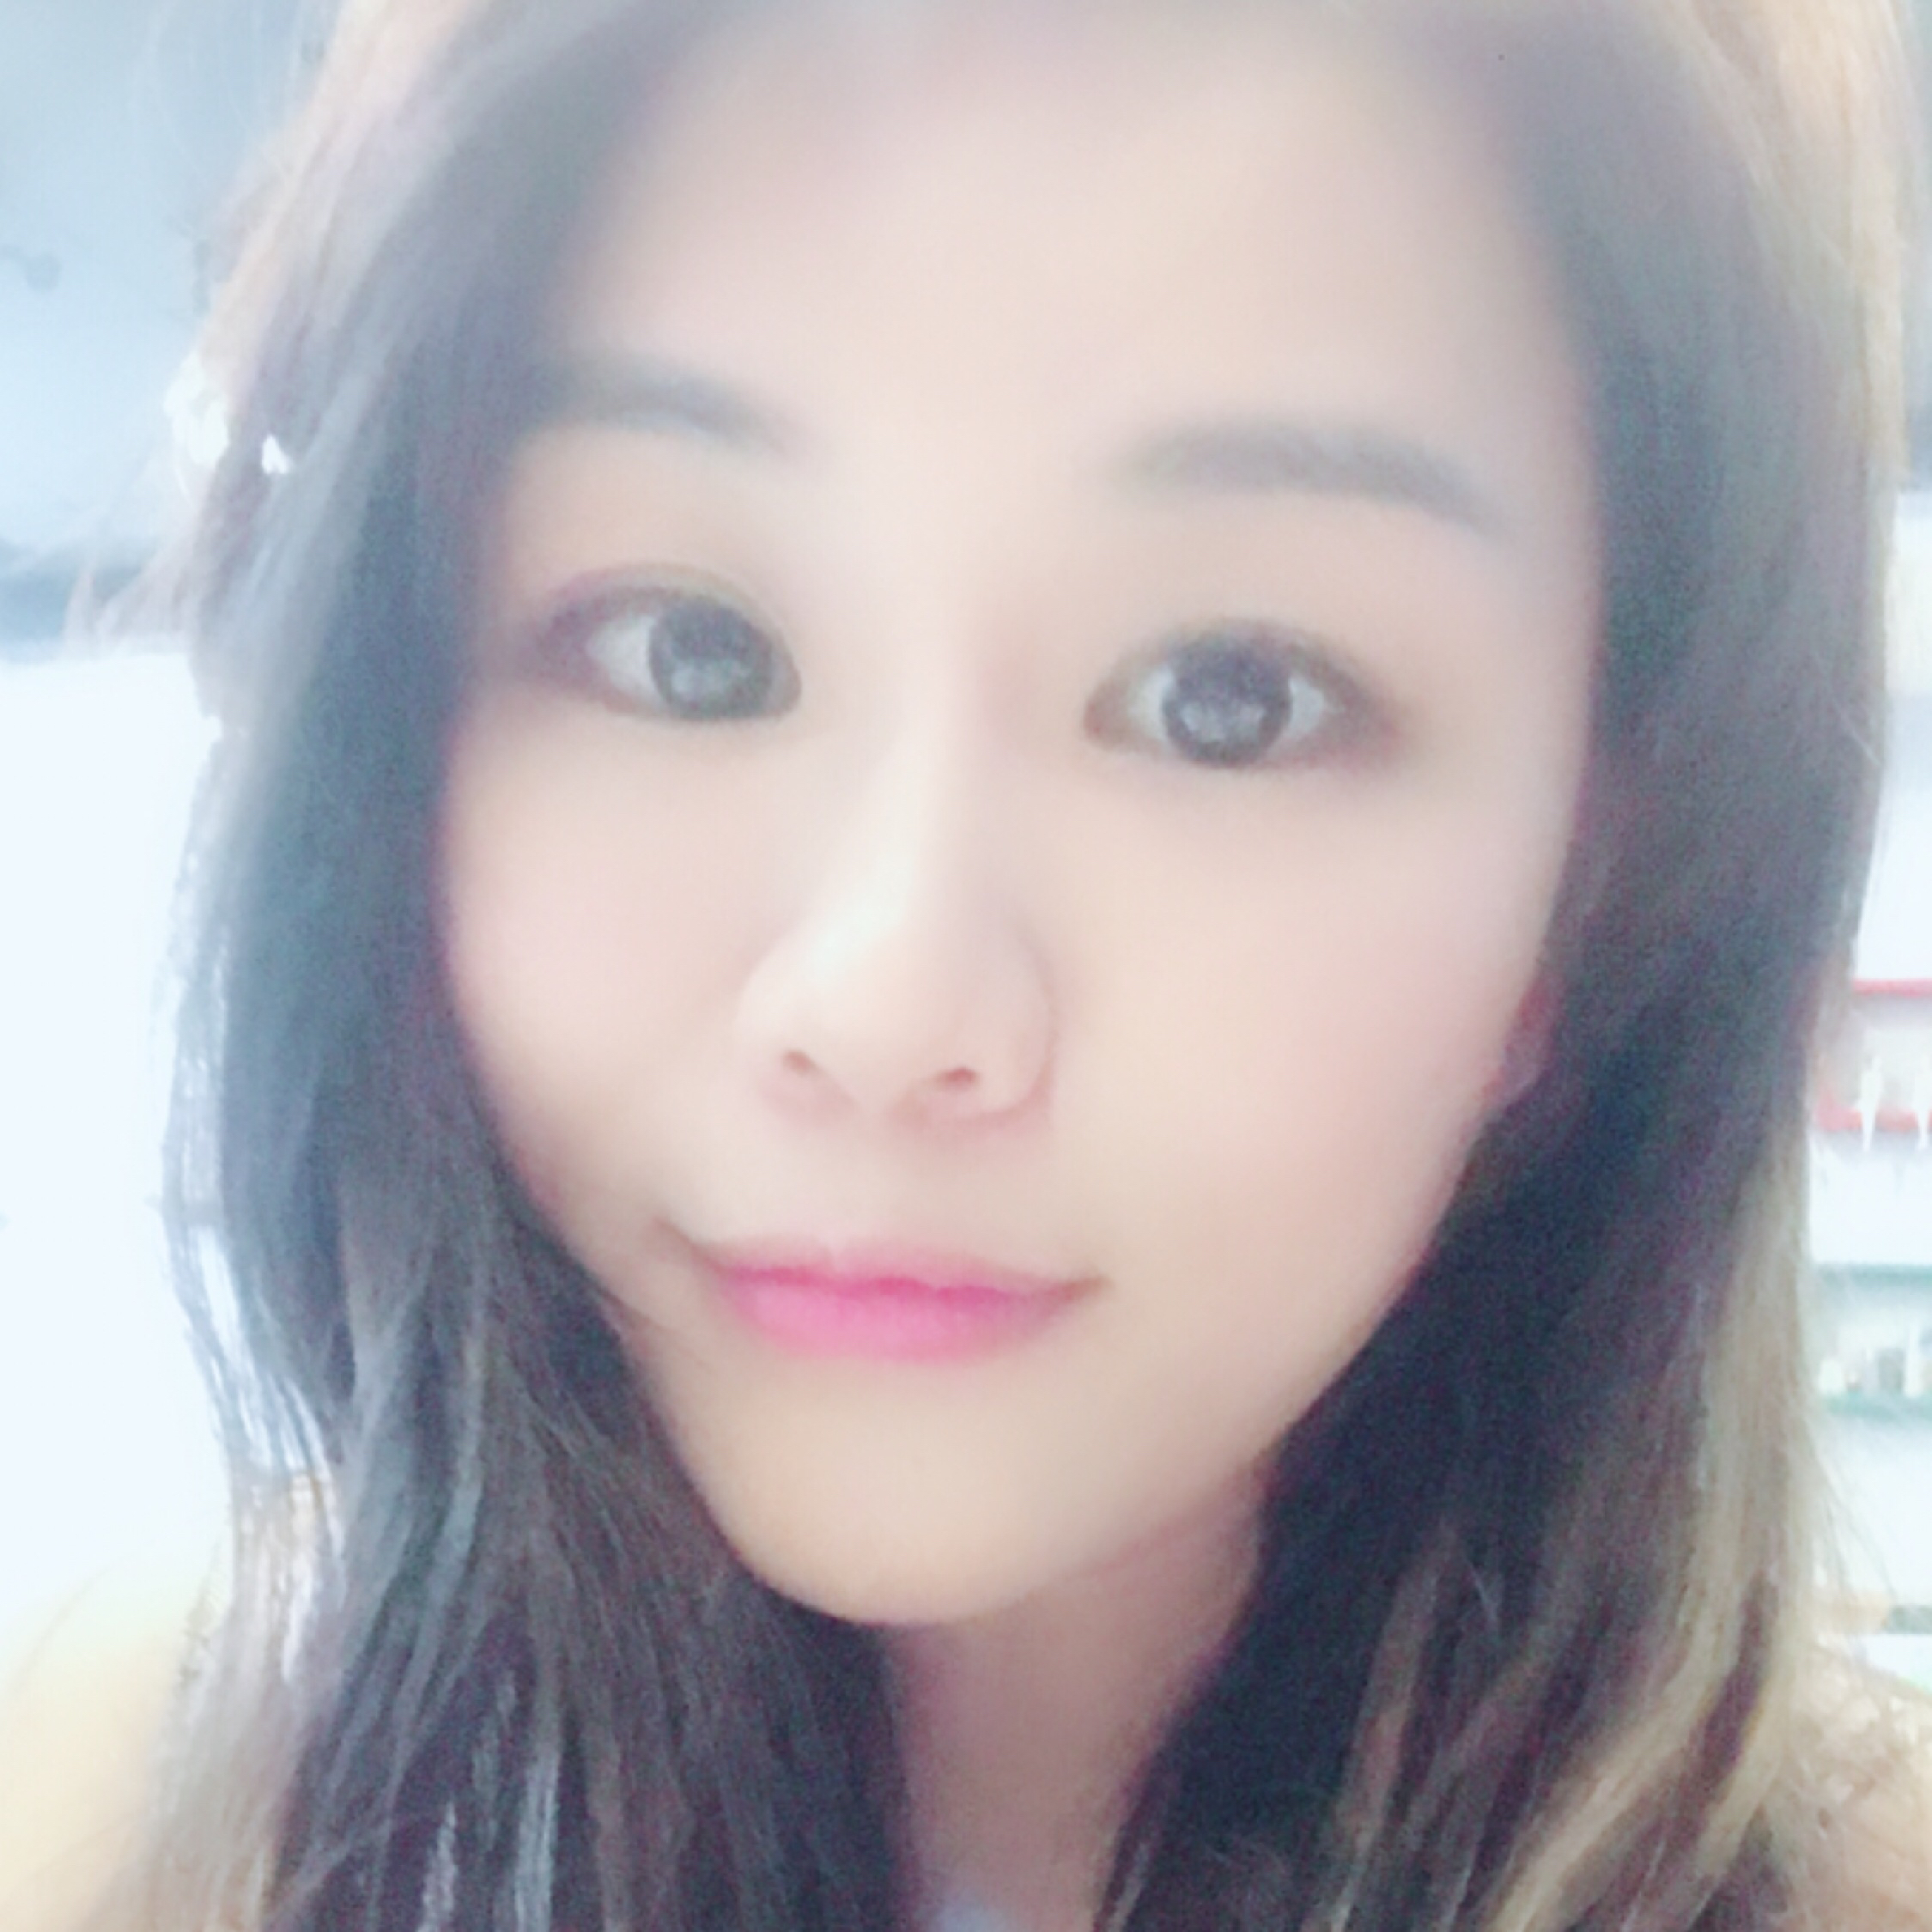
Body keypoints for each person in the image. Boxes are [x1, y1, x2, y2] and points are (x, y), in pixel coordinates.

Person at [28, 0, 1932, 1928]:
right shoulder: (122, 1816)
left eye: (1229, 699)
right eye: (689, 650)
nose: (886, 1002)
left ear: (1605, 874)